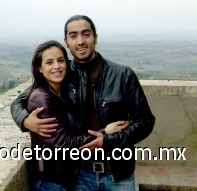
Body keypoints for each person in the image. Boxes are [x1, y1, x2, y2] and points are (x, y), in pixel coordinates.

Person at [11, 15, 155, 191]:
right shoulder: (62, 73)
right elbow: (19, 101)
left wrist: (109, 139)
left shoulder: (122, 75)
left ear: (95, 37)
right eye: (73, 36)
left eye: (86, 34)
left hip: (118, 174)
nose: (80, 41)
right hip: (79, 174)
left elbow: (146, 121)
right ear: (66, 42)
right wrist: (25, 120)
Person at [26, 40, 129, 191]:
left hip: (64, 178)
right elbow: (63, 143)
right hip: (51, 181)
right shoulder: (42, 97)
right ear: (40, 68)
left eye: (61, 60)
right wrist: (104, 132)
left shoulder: (62, 91)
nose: (57, 66)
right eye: (49, 62)